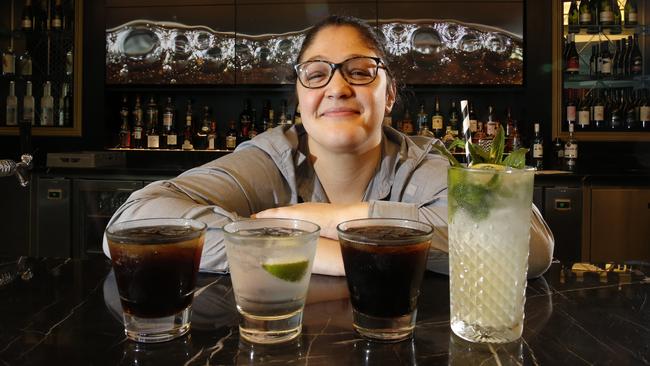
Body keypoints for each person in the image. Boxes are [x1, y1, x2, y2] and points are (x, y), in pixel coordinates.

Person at [102, 15, 554, 278]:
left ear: (389, 94)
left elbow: (528, 244)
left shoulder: (420, 164)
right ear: (300, 100)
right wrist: (314, 249)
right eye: (317, 74)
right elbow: (130, 224)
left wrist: (338, 218)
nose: (337, 88)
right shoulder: (269, 159)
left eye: (359, 71)